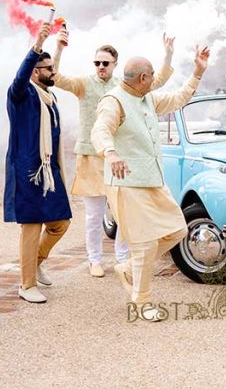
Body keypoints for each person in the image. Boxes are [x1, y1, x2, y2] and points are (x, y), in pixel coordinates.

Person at [92, 45, 211, 321]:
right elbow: (101, 129)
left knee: (177, 230)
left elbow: (178, 98)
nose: (155, 79)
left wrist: (198, 72)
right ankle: (141, 300)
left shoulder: (146, 98)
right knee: (145, 243)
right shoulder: (114, 101)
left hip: (153, 181)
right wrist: (110, 153)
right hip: (127, 183)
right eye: (152, 75)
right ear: (143, 78)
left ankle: (131, 268)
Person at [53, 30, 174, 278]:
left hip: (120, 159)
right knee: (94, 215)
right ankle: (94, 259)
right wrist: (59, 49)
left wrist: (168, 55)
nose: (100, 67)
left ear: (115, 64)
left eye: (105, 63)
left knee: (123, 213)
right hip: (90, 156)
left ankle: (121, 257)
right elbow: (55, 77)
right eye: (96, 62)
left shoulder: (124, 85)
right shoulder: (83, 84)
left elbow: (156, 80)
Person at [4, 23, 72, 303]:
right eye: (47, 69)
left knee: (61, 223)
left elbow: (51, 68)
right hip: (27, 171)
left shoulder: (48, 95)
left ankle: (37, 261)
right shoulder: (21, 94)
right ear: (35, 71)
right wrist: (38, 43)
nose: (52, 72)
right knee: (31, 227)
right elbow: (20, 77)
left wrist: (57, 48)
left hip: (50, 171)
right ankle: (26, 284)